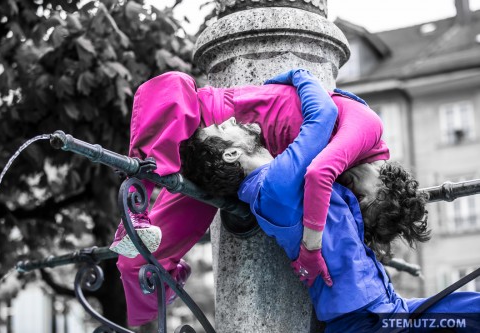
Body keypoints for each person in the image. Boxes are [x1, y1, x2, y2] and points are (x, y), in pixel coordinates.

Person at [110, 69, 421, 326]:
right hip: (212, 124)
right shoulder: (368, 129)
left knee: (139, 257)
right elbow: (318, 172)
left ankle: (158, 294)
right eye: (365, 197)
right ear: (386, 180)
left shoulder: (346, 173)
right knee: (172, 88)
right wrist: (309, 251)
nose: (354, 191)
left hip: (224, 167)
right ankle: (134, 209)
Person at [181, 70, 480, 331]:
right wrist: (298, 74)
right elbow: (322, 116)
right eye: (223, 128)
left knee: (469, 309)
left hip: (387, 309)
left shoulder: (276, 182)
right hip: (365, 320)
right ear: (231, 153)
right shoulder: (276, 184)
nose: (232, 119)